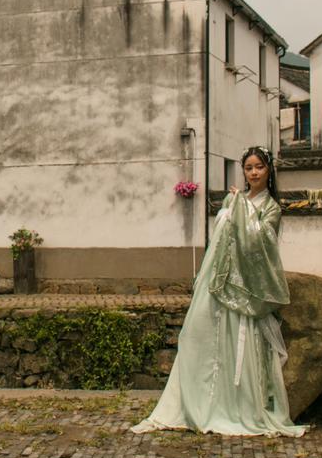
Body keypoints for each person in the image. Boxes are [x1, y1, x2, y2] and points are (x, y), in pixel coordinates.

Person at [131, 146, 306, 437]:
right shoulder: (233, 199)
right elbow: (222, 239)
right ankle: (205, 401)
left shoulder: (271, 208)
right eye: (248, 168)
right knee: (200, 336)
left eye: (259, 167)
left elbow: (261, 243)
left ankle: (241, 405)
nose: (254, 173)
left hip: (247, 287)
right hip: (223, 279)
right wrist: (235, 208)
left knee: (242, 345)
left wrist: (241, 209)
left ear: (268, 170)